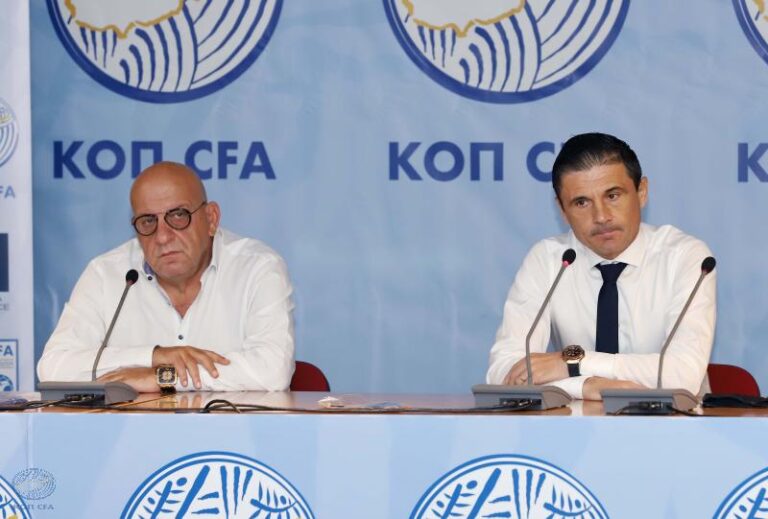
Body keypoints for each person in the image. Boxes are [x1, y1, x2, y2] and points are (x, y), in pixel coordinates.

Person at [486, 133, 716, 400]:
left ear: (641, 192)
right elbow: (504, 373)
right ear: (562, 210)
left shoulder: (685, 257)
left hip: (675, 422)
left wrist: (574, 362)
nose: (601, 216)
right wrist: (585, 386)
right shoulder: (549, 260)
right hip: (576, 424)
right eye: (581, 202)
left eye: (613, 195)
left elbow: (683, 375)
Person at [37, 161, 295, 392]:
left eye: (178, 216)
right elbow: (53, 367)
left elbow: (272, 370)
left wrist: (162, 377)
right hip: (135, 430)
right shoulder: (106, 274)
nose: (162, 236)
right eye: (148, 221)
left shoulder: (256, 267)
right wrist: (154, 356)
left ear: (211, 218)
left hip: (230, 430)